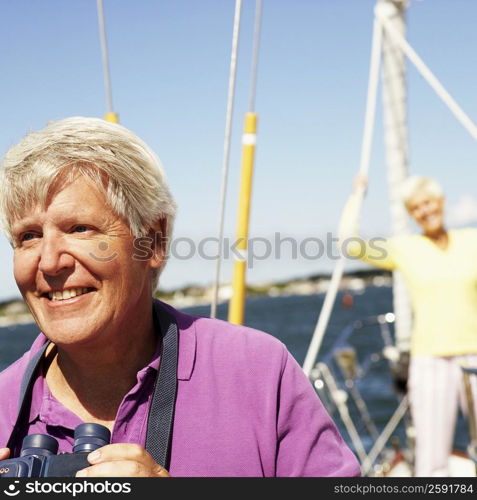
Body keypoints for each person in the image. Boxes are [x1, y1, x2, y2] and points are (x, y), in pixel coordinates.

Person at [0, 117, 360, 477]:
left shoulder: (259, 373)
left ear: (153, 241)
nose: (48, 261)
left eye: (80, 228)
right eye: (28, 236)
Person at [339, 174, 477, 477]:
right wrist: (357, 195)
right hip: (430, 360)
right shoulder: (406, 248)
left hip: (475, 357)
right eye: (416, 208)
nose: (424, 211)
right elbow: (349, 244)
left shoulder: (472, 241)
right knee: (432, 457)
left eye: (428, 203)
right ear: (411, 214)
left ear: (440, 202)